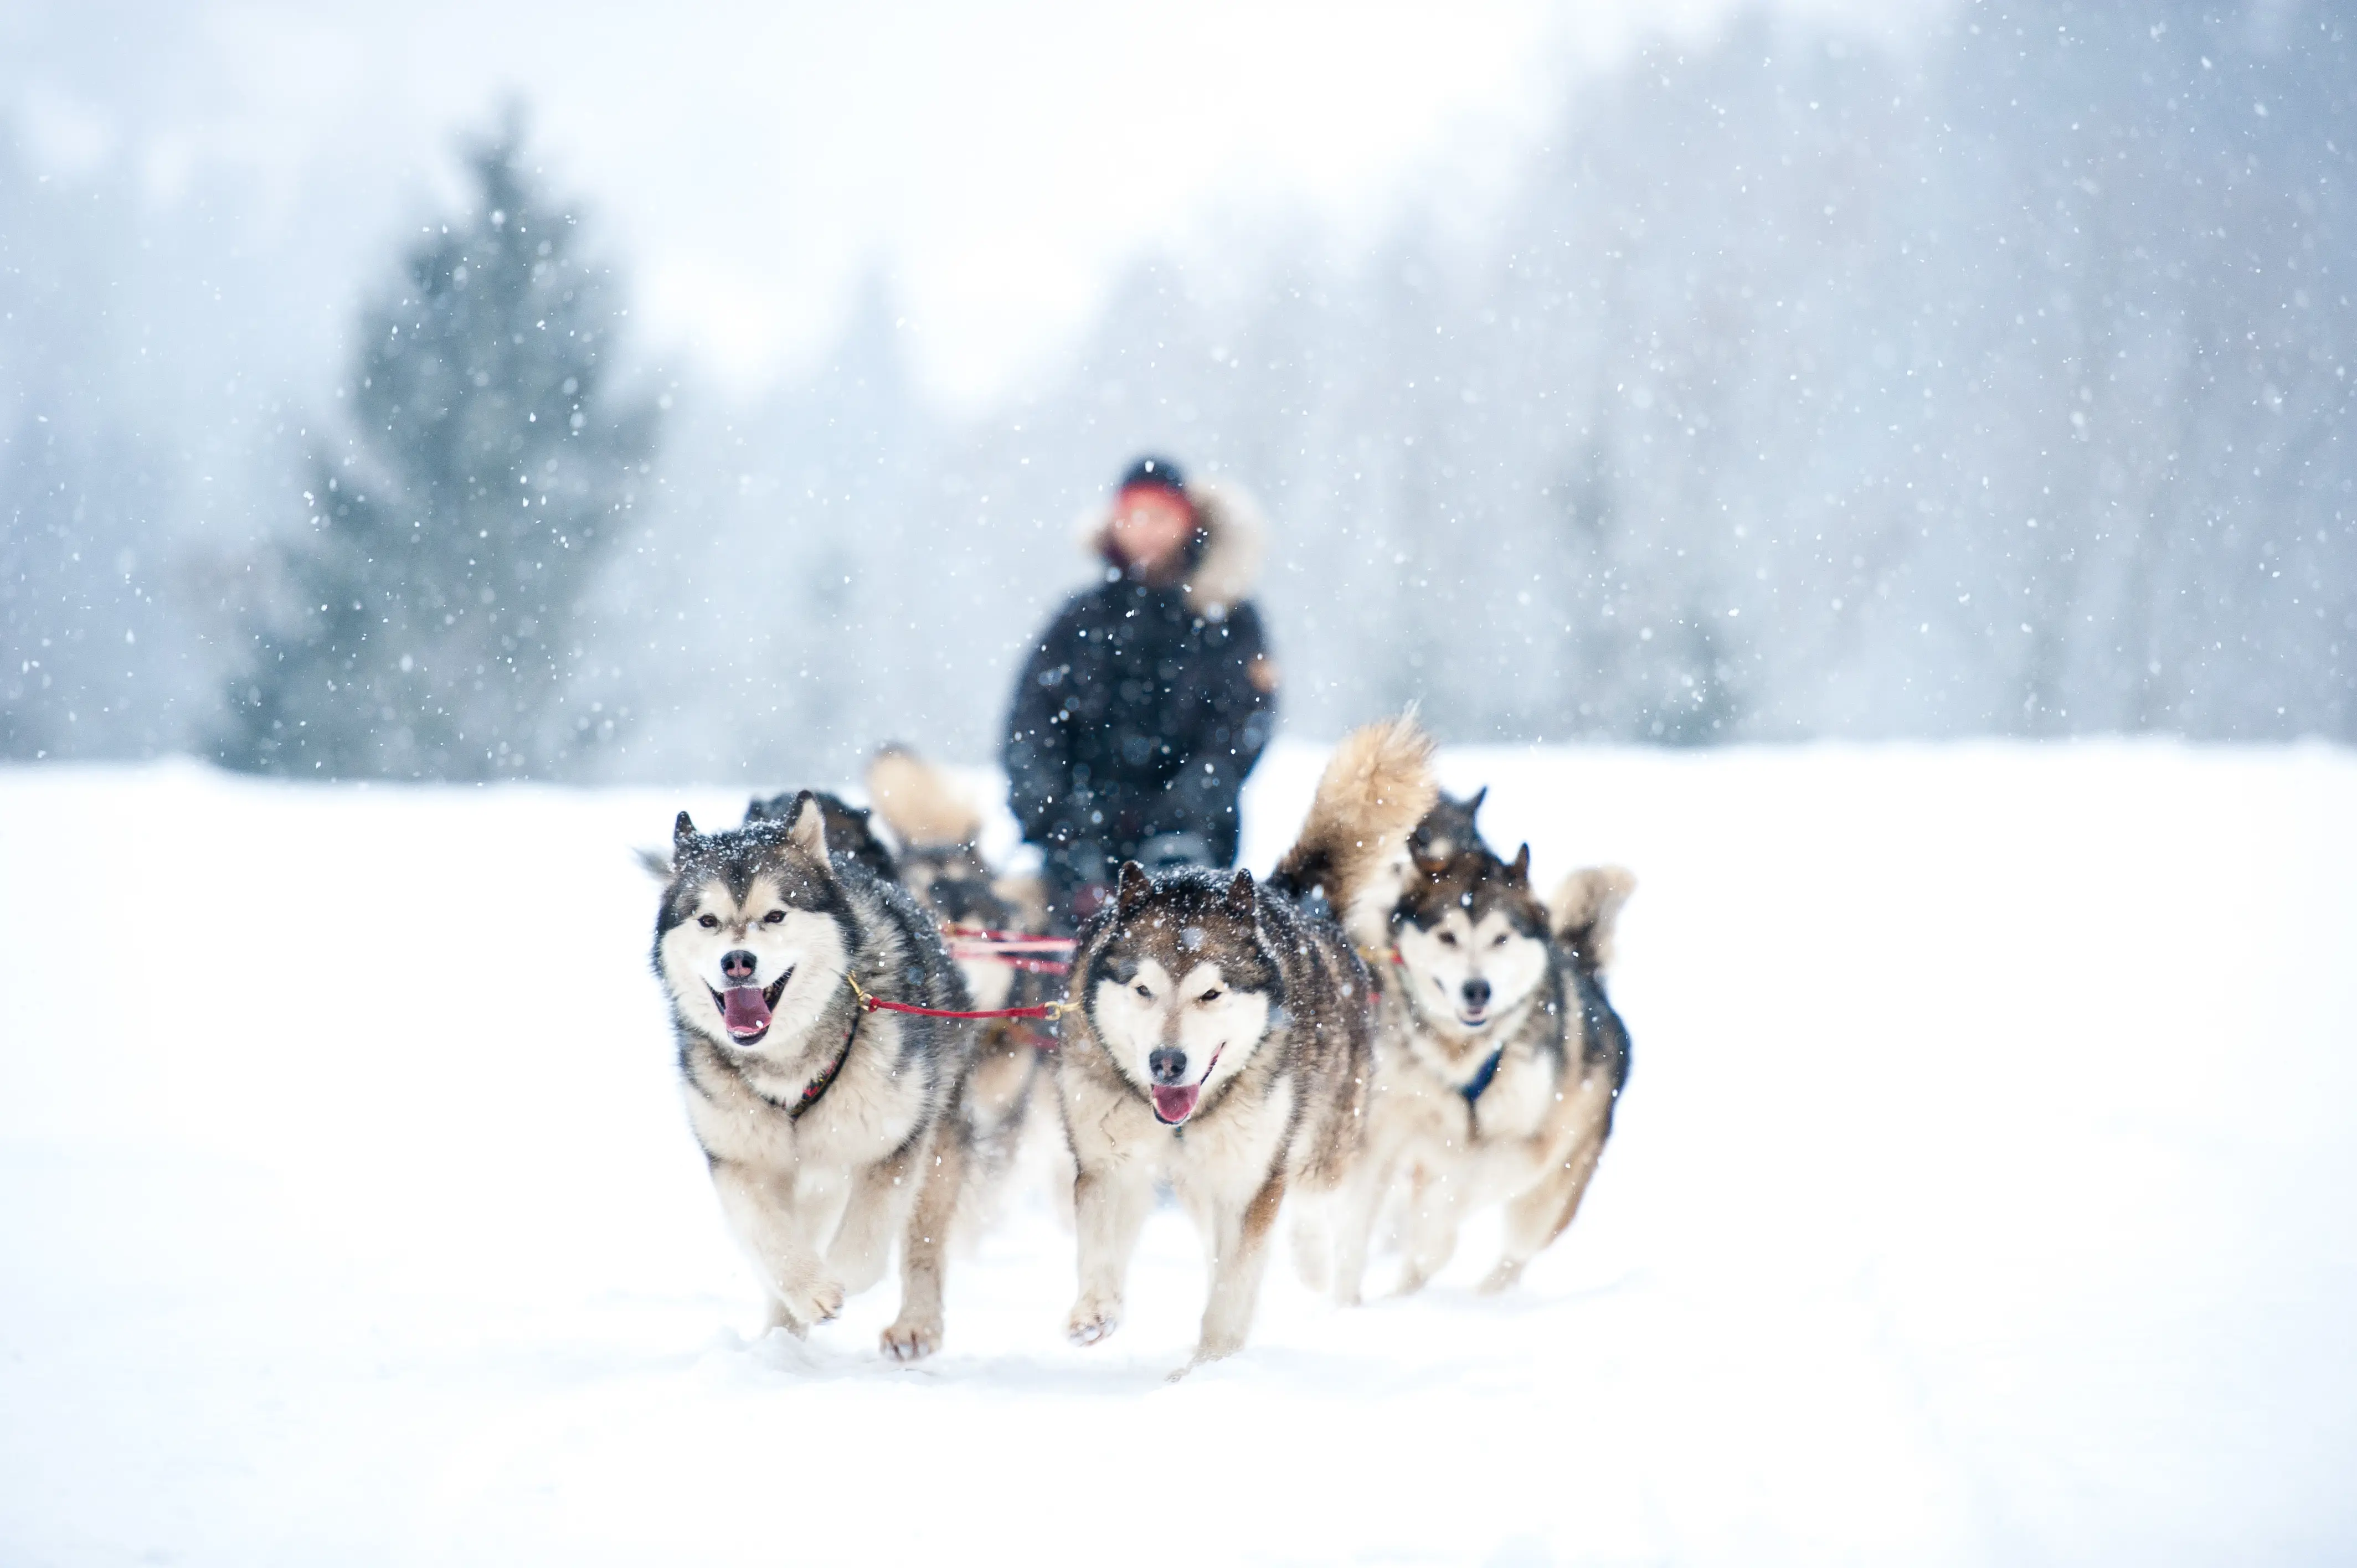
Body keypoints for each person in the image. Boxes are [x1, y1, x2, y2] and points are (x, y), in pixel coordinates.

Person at [1003, 455, 1279, 930]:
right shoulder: (1079, 619)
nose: (1146, 530)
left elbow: (1243, 725)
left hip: (1194, 842)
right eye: (1134, 516)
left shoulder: (1230, 618)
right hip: (1081, 846)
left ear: (1188, 523)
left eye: (1161, 516)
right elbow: (1031, 725)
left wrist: (1190, 806)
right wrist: (1058, 819)